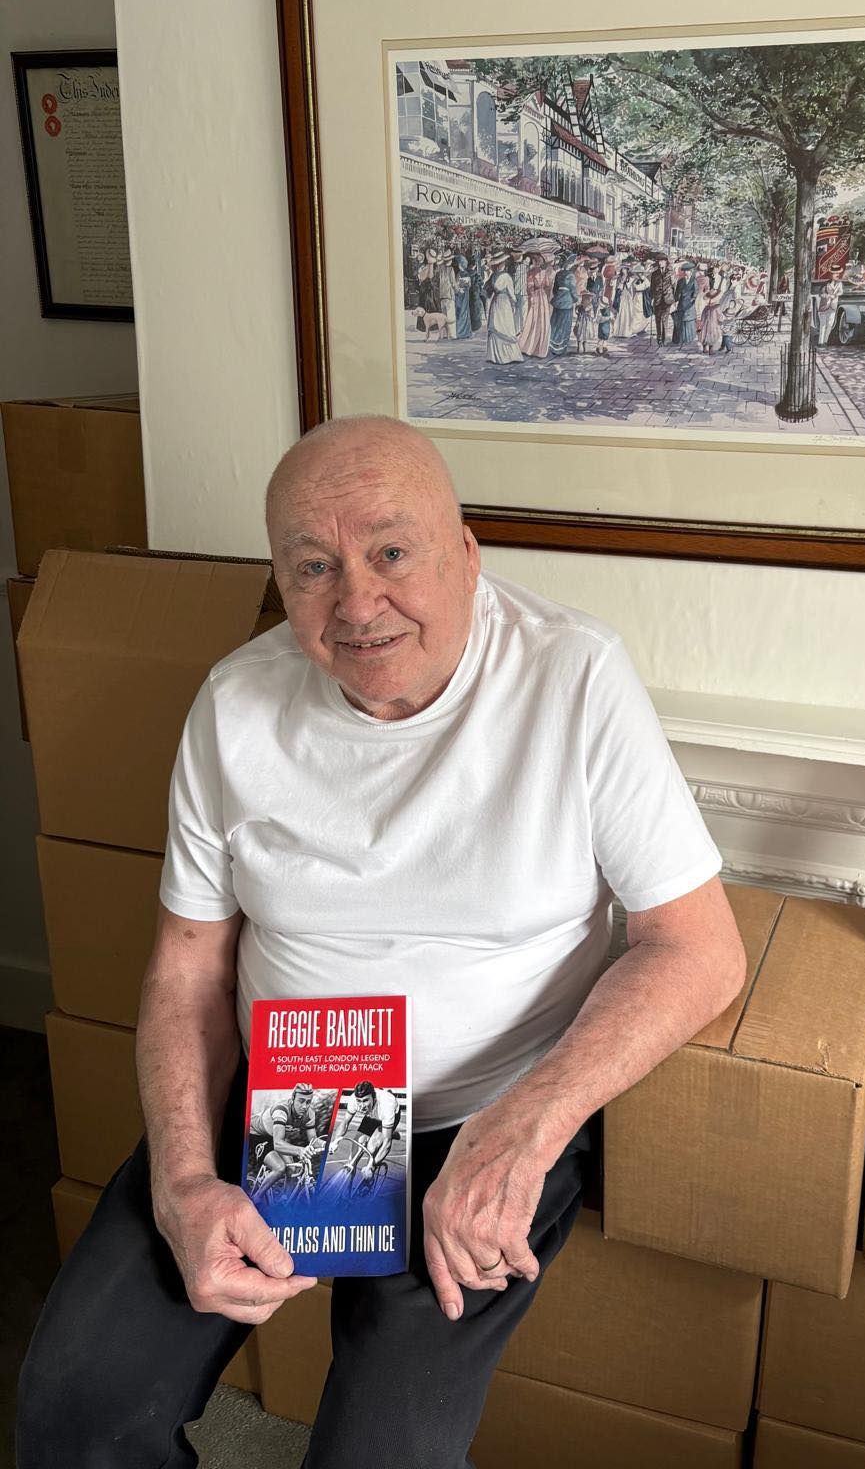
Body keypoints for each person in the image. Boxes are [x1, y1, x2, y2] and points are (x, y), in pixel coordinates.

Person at [17, 416, 744, 1469]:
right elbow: (186, 968)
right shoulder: (234, 705)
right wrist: (181, 1181)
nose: (356, 604)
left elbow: (698, 947)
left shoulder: (574, 676)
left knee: (380, 1453)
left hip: (482, 1114)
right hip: (286, 1102)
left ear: (467, 553)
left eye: (391, 552)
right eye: (313, 567)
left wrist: (526, 1131)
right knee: (76, 1403)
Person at [247, 1083, 322, 1203]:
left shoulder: (309, 1114)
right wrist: (300, 1150)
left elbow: (313, 1139)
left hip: (277, 1136)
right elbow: (278, 1144)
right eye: (301, 1101)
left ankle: (284, 1201)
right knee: (279, 1168)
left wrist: (326, 1145)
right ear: (292, 1099)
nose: (304, 1106)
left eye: (308, 1102)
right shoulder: (281, 1110)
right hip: (257, 1134)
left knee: (292, 1169)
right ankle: (256, 1198)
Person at [330, 1080, 402, 1184]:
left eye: (365, 1101)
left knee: (372, 1147)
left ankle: (368, 1181)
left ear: (374, 1098)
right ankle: (346, 1190)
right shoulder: (353, 1100)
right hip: (371, 1116)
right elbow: (345, 1122)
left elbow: (387, 1143)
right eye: (359, 1101)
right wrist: (335, 1141)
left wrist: (371, 1166)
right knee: (352, 1157)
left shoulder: (387, 1105)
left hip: (388, 1117)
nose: (362, 1105)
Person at [483, 251, 523, 366]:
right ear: (502, 264)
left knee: (497, 325)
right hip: (504, 302)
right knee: (504, 326)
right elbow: (511, 293)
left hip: (496, 302)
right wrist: (514, 303)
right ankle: (507, 356)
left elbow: (487, 290)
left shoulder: (493, 276)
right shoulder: (506, 277)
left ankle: (494, 355)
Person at [517, 251, 550, 358]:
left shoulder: (531, 272)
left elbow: (529, 287)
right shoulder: (544, 272)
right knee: (542, 320)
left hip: (535, 296)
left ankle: (529, 347)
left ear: (535, 262)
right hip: (543, 297)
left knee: (533, 319)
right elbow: (547, 284)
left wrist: (531, 296)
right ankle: (540, 348)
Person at [548, 252, 580, 356]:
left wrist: (558, 296)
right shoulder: (571, 275)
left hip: (558, 301)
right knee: (565, 325)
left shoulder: (559, 274)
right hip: (567, 302)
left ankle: (553, 345)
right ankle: (561, 348)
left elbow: (554, 289)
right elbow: (573, 290)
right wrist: (575, 299)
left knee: (556, 323)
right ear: (570, 263)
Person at [649, 255, 674, 345]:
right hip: (657, 299)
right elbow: (652, 287)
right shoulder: (654, 274)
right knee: (658, 319)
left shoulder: (671, 273)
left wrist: (674, 299)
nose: (660, 263)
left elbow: (674, 286)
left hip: (667, 299)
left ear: (666, 262)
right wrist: (652, 298)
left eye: (662, 261)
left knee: (664, 319)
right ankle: (659, 338)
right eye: (659, 261)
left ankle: (664, 338)